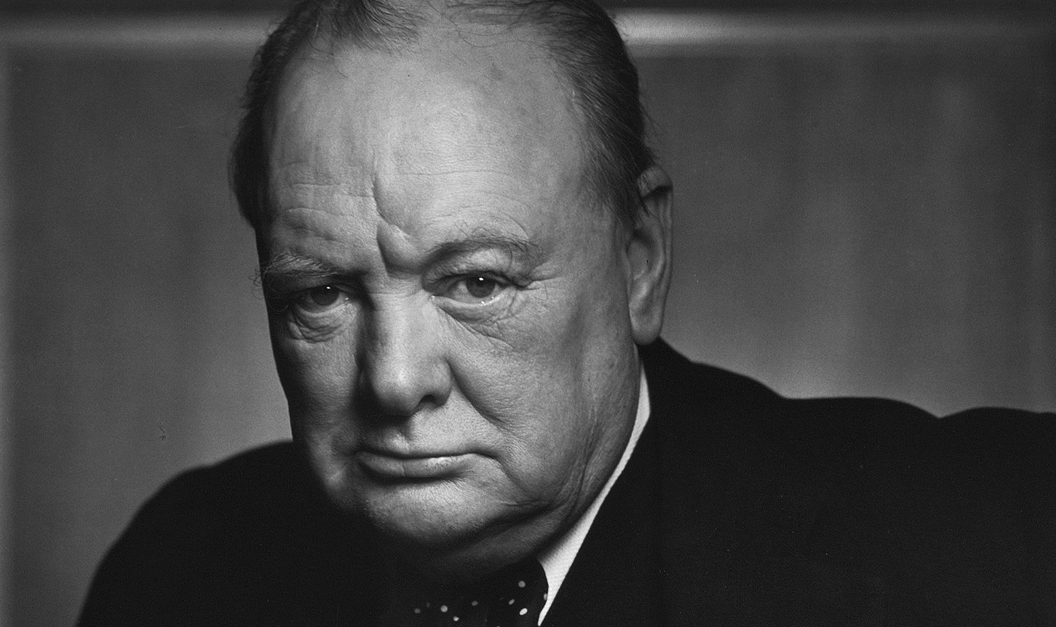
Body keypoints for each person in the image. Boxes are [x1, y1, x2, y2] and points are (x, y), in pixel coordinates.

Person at [77, 0, 1055, 624]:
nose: (395, 379)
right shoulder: (179, 570)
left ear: (640, 260)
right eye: (320, 294)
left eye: (476, 282)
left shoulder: (983, 539)